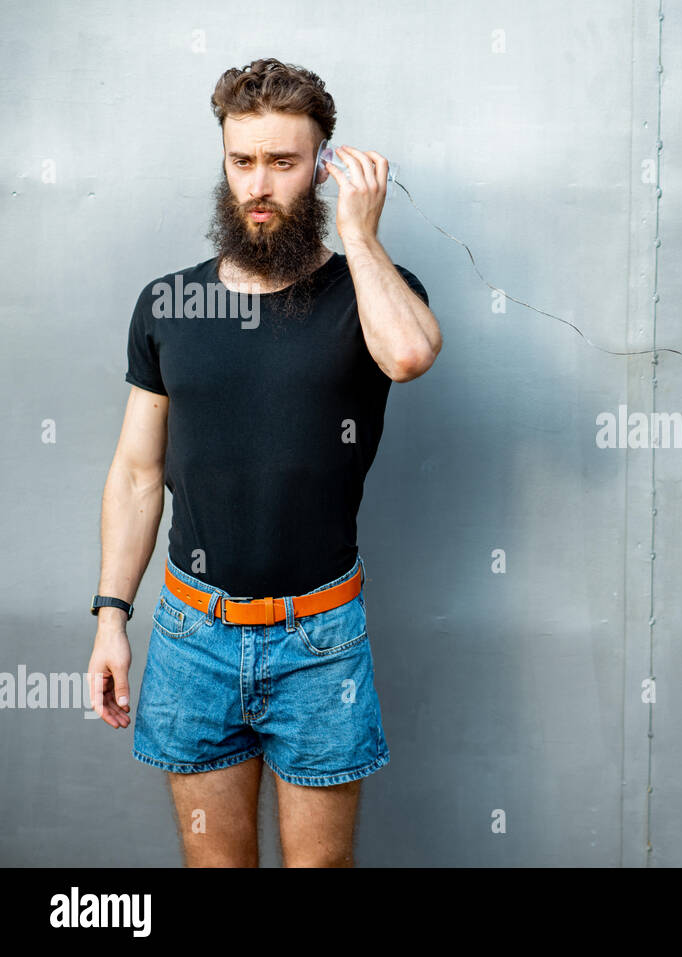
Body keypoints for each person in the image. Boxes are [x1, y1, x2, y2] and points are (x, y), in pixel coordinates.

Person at [87, 58, 442, 866]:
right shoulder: (168, 302)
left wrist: (359, 234)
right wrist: (112, 615)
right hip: (190, 634)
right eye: (242, 161)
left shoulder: (371, 288)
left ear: (323, 165)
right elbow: (139, 472)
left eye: (283, 163)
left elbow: (413, 354)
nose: (259, 183)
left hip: (320, 639)